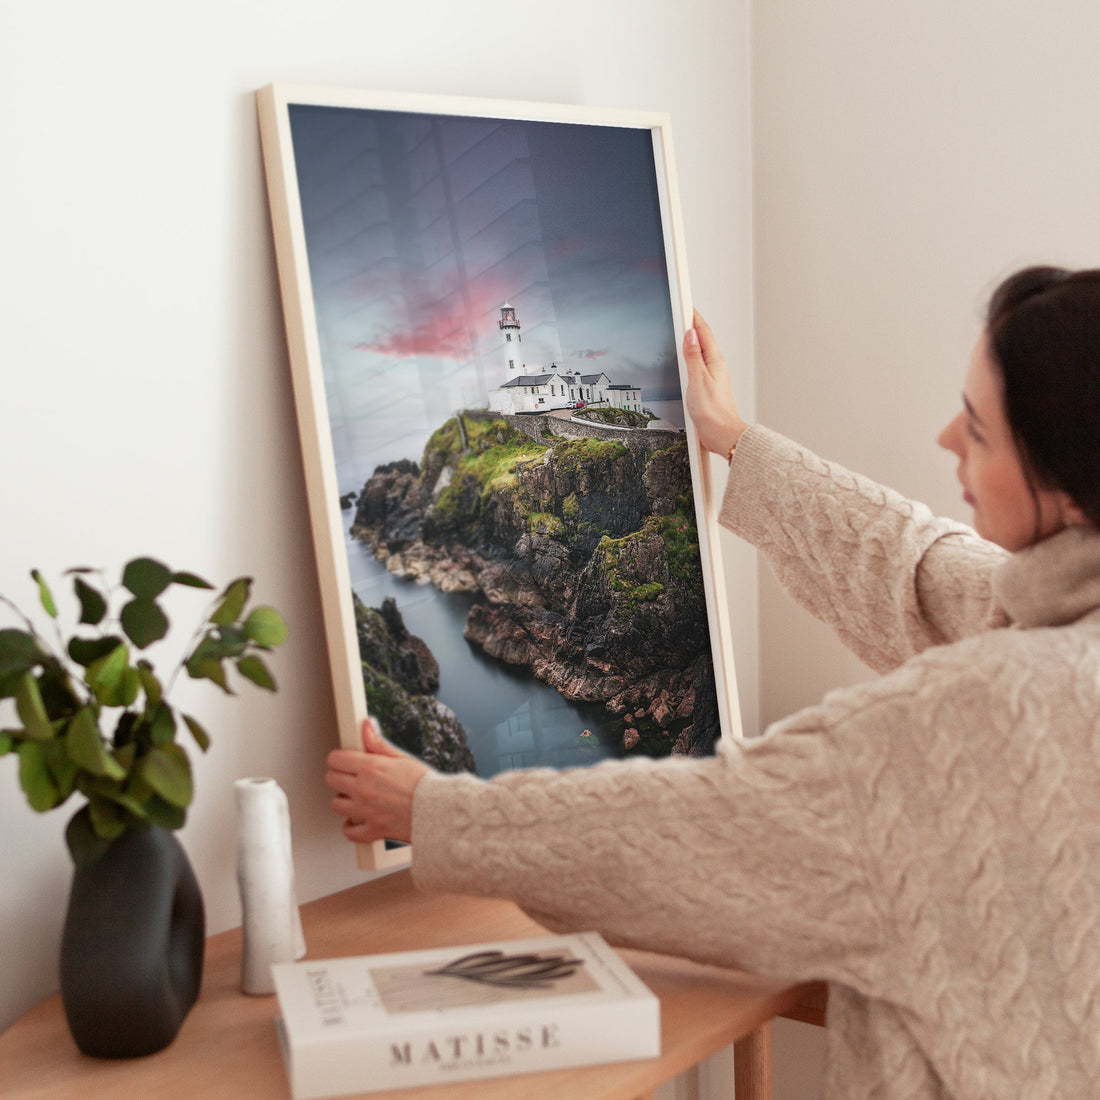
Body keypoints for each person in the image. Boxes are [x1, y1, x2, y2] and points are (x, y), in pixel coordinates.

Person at [326, 266, 1100, 1099]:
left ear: (1065, 487)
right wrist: (734, 439)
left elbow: (705, 828)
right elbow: (916, 568)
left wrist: (434, 811)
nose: (948, 437)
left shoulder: (979, 716)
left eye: (980, 431)